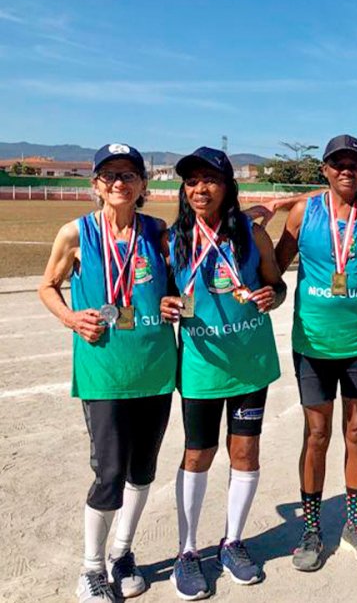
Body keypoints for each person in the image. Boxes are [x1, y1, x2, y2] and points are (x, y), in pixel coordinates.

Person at [38, 143, 177, 603]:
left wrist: (172, 301)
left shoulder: (157, 231)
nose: (119, 183)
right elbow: (47, 286)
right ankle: (91, 568)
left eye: (129, 175)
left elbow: (178, 285)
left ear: (143, 185)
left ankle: (122, 553)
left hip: (155, 371)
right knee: (110, 473)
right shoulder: (75, 234)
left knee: (143, 469)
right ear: (95, 184)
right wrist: (71, 318)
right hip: (104, 375)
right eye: (109, 175)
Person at [160, 147, 286, 600]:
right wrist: (166, 304)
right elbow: (165, 295)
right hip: (201, 366)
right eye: (191, 181)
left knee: (245, 454)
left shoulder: (252, 235)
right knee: (198, 455)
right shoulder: (173, 240)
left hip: (250, 365)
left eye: (210, 180)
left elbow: (276, 284)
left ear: (228, 187)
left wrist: (272, 294)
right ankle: (187, 550)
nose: (200, 189)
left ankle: (232, 542)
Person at [274, 135, 357, 571]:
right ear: (324, 169)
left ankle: (355, 526)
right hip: (314, 342)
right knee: (317, 435)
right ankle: (311, 529)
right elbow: (277, 268)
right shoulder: (305, 212)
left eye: (354, 164)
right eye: (337, 163)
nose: (346, 170)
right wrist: (268, 292)